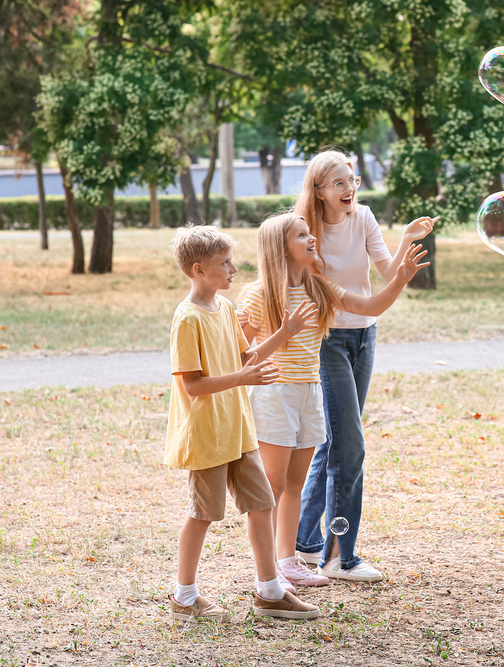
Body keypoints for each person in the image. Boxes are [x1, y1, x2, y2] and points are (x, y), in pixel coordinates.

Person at [238, 212, 430, 588]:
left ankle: (288, 560)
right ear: (281, 248)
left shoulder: (319, 287)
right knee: (272, 487)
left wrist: (401, 280)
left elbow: (370, 307)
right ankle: (267, 570)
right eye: (301, 235)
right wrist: (284, 332)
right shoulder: (258, 294)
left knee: (295, 484)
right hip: (274, 395)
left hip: (309, 392)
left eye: (310, 233)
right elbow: (244, 358)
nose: (312, 239)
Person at [164, 225, 320, 622]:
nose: (235, 268)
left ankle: (269, 593)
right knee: (203, 514)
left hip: (237, 429)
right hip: (207, 435)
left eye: (232, 260)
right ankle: (184, 596)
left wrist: (283, 334)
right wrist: (242, 378)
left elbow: (246, 358)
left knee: (262, 502)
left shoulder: (227, 308)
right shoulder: (188, 319)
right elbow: (194, 385)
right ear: (198, 269)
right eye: (225, 263)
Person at [293, 149, 436, 582]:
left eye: (353, 180)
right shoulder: (304, 232)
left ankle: (303, 539)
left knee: (333, 440)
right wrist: (395, 281)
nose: (350, 189)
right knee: (349, 445)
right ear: (318, 190)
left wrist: (406, 241)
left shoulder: (364, 216)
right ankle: (340, 558)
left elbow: (387, 269)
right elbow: (349, 293)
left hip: (364, 336)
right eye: (339, 183)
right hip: (328, 340)